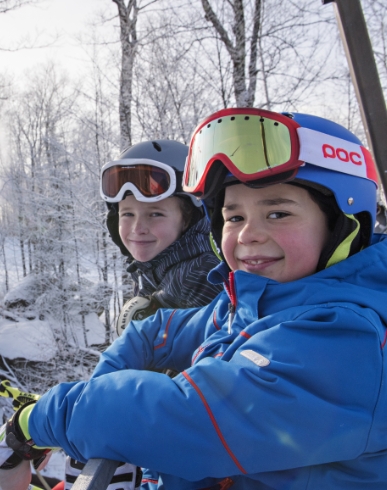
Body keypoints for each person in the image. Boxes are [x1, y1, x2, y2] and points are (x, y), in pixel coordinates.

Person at [2, 107, 387, 490]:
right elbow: (159, 330)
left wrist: (34, 424)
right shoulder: (256, 303)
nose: (248, 234)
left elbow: (189, 416)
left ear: (345, 223)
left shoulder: (347, 340)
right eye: (234, 217)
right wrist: (109, 377)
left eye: (278, 213)